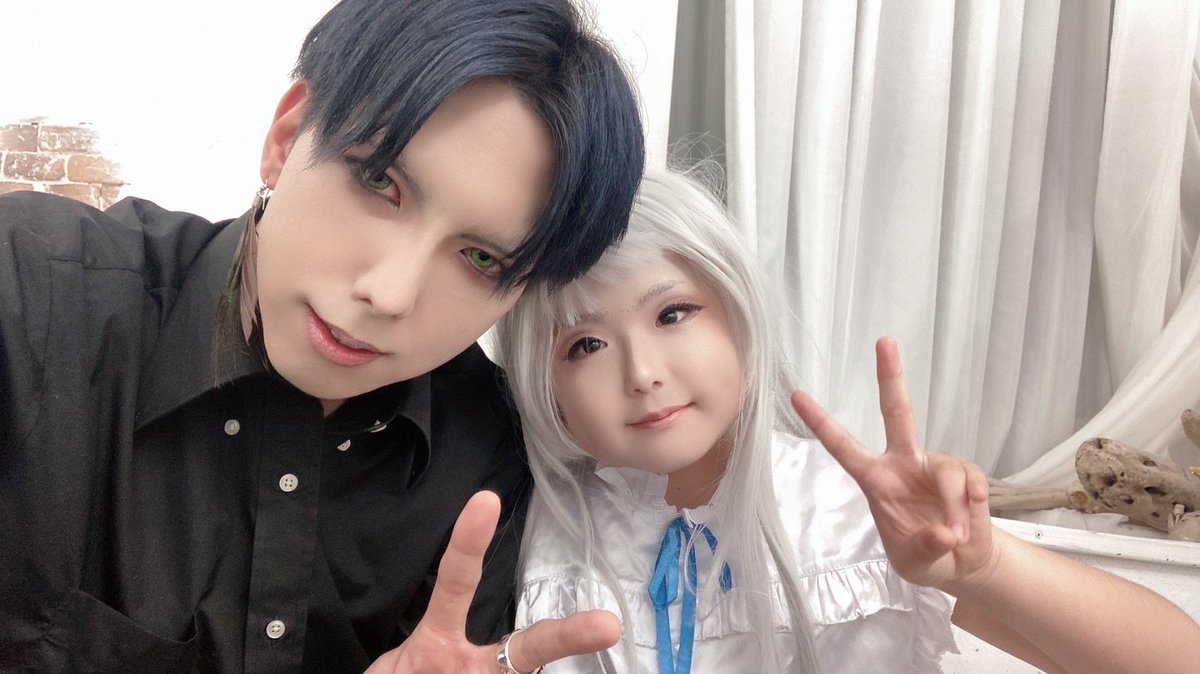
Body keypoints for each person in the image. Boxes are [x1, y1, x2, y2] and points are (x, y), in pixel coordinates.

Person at [0, 1, 643, 672]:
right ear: (286, 139)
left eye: (482, 259)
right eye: (379, 181)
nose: (390, 294)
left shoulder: (487, 454)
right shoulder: (29, 297)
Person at [495, 169, 1200, 673]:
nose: (642, 372)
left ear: (740, 317)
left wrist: (987, 568)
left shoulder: (853, 513)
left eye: (673, 313)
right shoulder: (526, 531)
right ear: (546, 385)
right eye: (585, 345)